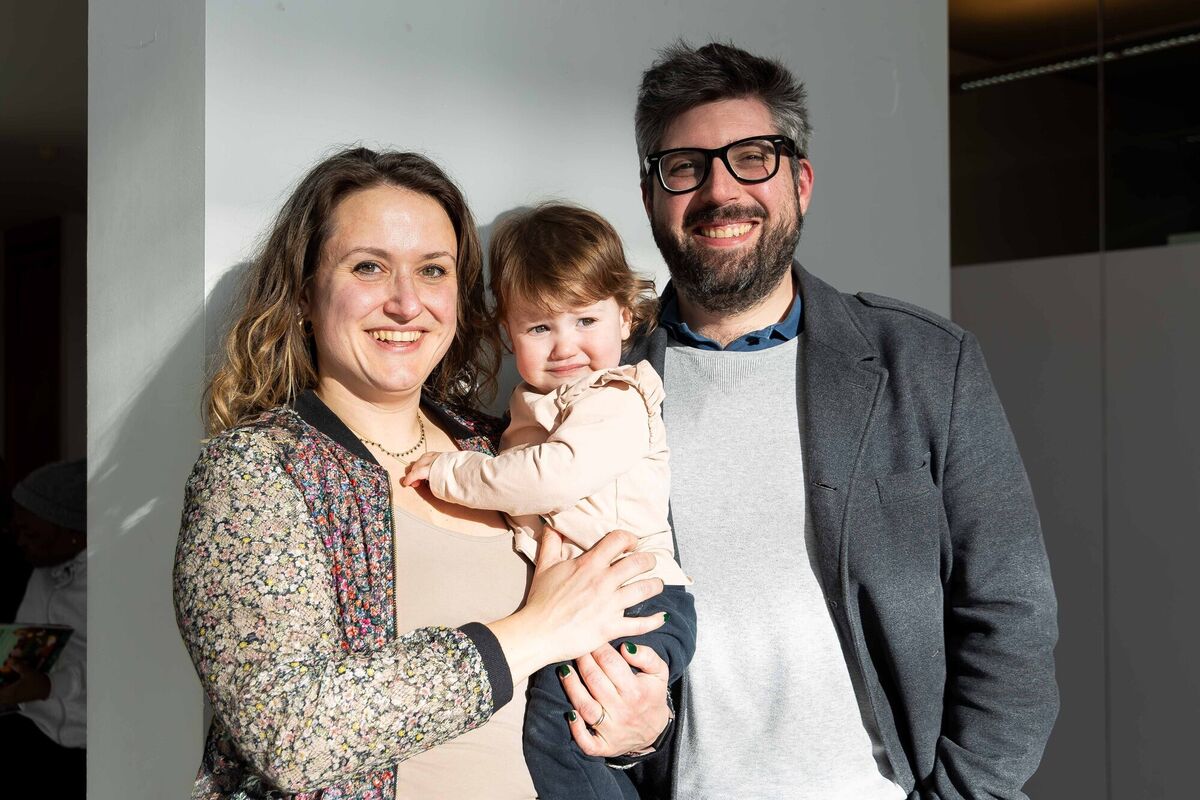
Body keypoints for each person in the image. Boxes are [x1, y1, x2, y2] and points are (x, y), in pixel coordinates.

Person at [576, 41, 1057, 799]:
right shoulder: (596, 390)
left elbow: (1011, 613)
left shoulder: (927, 364)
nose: (719, 190)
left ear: (800, 181)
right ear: (649, 198)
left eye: (752, 158)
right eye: (685, 166)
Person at [172, 147, 670, 799]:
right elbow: (290, 735)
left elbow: (609, 636)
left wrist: (641, 725)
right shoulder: (257, 474)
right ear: (303, 293)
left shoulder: (503, 450)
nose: (406, 303)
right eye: (369, 267)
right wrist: (529, 633)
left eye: (432, 270)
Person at [403, 204, 697, 800]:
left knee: (558, 732)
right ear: (506, 333)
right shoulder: (529, 409)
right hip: (591, 601)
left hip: (637, 597)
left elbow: (553, 477)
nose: (565, 346)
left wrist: (454, 474)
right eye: (540, 328)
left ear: (625, 316)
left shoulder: (615, 396)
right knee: (567, 729)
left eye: (585, 320)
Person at [0, 459, 87, 796]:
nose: (20, 541)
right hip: (35, 727)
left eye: (32, 533)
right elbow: (24, 648)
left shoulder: (108, 585)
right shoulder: (42, 573)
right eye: (16, 530)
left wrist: (49, 686)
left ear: (73, 534)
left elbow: (122, 673)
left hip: (89, 745)